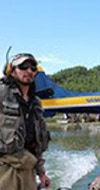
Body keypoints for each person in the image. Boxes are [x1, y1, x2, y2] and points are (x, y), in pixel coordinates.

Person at [0, 53, 51, 189]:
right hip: (4, 169)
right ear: (12, 71)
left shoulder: (36, 103)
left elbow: (36, 143)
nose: (29, 71)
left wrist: (41, 173)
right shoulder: (1, 93)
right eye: (23, 67)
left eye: (33, 68)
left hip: (28, 168)